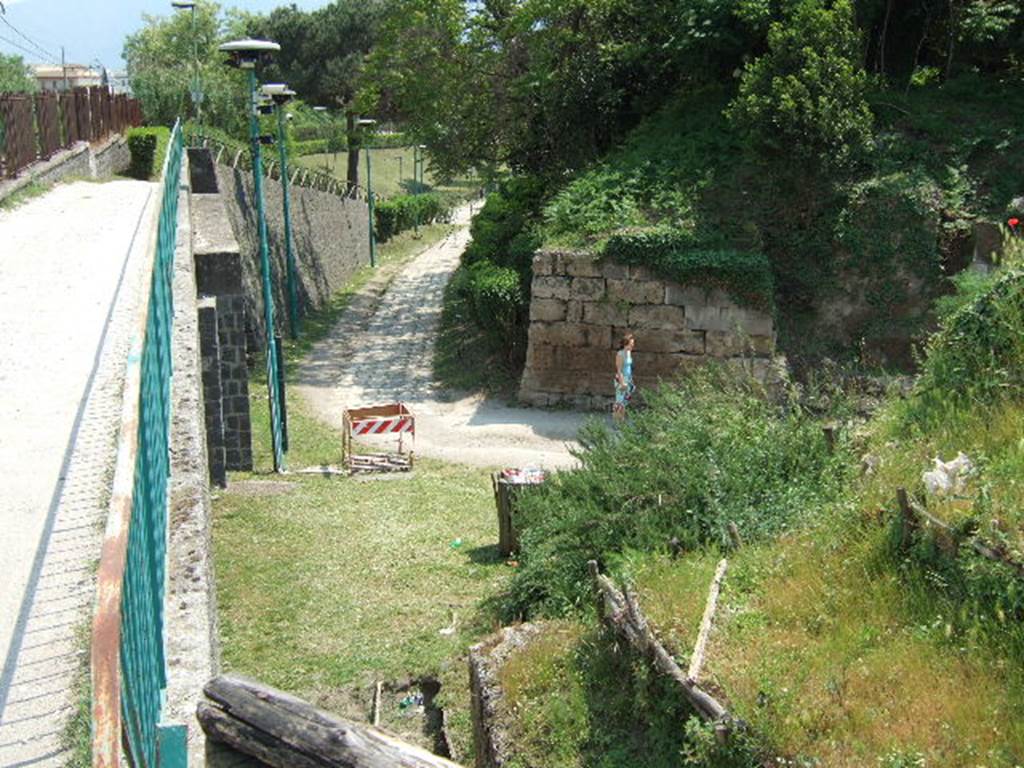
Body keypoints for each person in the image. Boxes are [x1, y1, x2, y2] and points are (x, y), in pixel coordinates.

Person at [613, 332, 635, 422]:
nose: (633, 346)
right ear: (626, 344)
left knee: (625, 400)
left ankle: (621, 419)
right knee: (619, 400)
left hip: (628, 378)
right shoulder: (620, 354)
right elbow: (619, 370)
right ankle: (617, 421)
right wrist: (622, 383)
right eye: (631, 344)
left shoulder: (629, 353)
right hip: (622, 379)